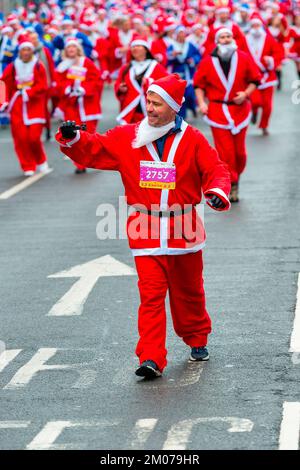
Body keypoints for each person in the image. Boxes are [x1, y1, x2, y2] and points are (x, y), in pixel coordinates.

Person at [55, 74, 231, 379]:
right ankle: (151, 356)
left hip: (184, 230)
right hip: (145, 230)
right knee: (150, 296)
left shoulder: (193, 139)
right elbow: (96, 147)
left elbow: (215, 169)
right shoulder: (129, 136)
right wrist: (74, 137)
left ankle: (196, 336)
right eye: (147, 101)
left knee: (189, 292)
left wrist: (216, 192)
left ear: (174, 107)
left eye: (156, 103)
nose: (149, 107)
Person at [194, 28, 261, 203]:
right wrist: (202, 103)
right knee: (226, 152)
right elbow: (199, 84)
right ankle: (232, 184)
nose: (225, 39)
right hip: (217, 110)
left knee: (240, 153)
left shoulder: (244, 57)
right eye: (222, 37)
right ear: (217, 41)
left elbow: (255, 79)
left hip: (240, 110)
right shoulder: (208, 62)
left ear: (233, 39)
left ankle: (235, 175)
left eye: (228, 36)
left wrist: (246, 94)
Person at [1, 37, 49, 176]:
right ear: (19, 52)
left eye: (28, 49)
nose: (26, 52)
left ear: (32, 51)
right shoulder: (13, 66)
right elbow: (3, 84)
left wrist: (30, 92)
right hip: (17, 106)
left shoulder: (38, 65)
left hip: (35, 105)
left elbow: (43, 85)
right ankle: (27, 165)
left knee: (33, 137)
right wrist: (3, 102)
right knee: (20, 138)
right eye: (23, 49)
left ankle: (41, 160)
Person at [54, 37, 103, 174]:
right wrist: (67, 89)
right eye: (69, 47)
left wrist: (84, 89)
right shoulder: (62, 66)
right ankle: (80, 164)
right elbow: (58, 85)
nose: (71, 49)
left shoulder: (86, 62)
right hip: (71, 105)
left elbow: (96, 80)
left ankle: (95, 158)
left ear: (78, 49)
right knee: (74, 134)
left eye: (73, 47)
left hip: (88, 104)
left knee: (89, 134)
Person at [114, 38, 167, 124]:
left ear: (146, 50)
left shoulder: (156, 66)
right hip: (131, 109)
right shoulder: (126, 68)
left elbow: (165, 84)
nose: (134, 48)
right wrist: (120, 88)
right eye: (133, 46)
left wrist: (149, 81)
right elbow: (118, 83)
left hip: (150, 107)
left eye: (138, 46)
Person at [244, 18, 282, 135]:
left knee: (268, 106)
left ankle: (264, 126)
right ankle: (254, 111)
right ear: (251, 27)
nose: (255, 28)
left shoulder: (269, 39)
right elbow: (239, 55)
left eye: (257, 25)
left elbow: (278, 53)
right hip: (252, 78)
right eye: (253, 25)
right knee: (255, 102)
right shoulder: (245, 40)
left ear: (261, 26)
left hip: (267, 76)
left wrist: (271, 60)